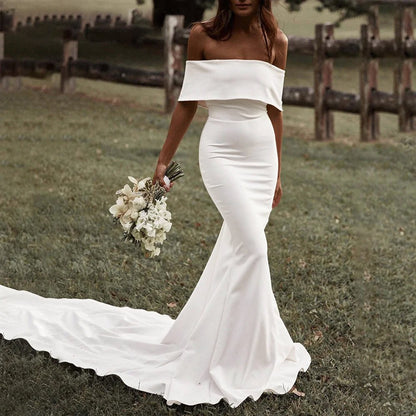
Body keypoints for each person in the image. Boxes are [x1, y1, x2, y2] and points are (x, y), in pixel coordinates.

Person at [0, 0, 311, 409]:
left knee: (238, 253)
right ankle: (248, 359)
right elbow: (186, 102)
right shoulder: (202, 37)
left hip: (261, 159)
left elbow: (275, 111)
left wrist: (278, 172)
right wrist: (164, 159)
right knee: (253, 249)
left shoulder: (277, 42)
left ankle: (239, 347)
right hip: (220, 154)